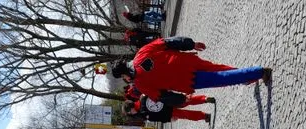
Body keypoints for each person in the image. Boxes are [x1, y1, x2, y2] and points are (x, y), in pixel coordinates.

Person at [111, 37, 271, 100]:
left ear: (124, 74)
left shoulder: (140, 83)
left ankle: (258, 72)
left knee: (221, 78)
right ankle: (247, 77)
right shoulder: (142, 52)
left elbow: (162, 96)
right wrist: (191, 44)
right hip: (186, 61)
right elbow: (169, 42)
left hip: (186, 79)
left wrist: (181, 100)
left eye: (123, 77)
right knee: (218, 69)